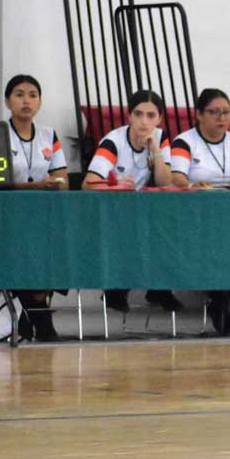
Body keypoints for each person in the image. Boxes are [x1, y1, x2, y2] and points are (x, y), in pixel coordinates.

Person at [84, 89, 182, 315]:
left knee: (170, 224)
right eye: (138, 114)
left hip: (145, 210)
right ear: (129, 116)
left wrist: (156, 150)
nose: (144, 121)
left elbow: (165, 182)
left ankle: (159, 287)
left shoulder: (161, 137)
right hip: (113, 210)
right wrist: (115, 183)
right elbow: (88, 184)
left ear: (159, 119)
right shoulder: (113, 141)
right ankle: (117, 288)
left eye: (150, 116)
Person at [170, 88, 230, 334]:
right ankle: (219, 302)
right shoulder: (184, 141)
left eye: (226, 112)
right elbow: (178, 177)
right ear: (199, 115)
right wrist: (193, 185)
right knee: (225, 240)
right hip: (197, 215)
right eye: (214, 112)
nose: (222, 118)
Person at [3, 74, 68, 340]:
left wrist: (52, 184)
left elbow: (62, 177)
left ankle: (33, 311)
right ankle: (35, 312)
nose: (26, 100)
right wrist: (35, 186)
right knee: (21, 250)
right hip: (7, 214)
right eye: (19, 94)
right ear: (8, 101)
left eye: (32, 95)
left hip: (43, 213)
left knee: (55, 249)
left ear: (40, 101)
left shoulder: (48, 134)